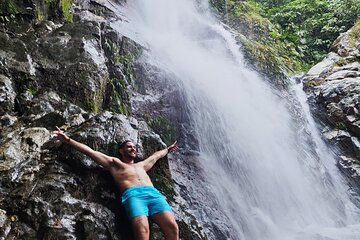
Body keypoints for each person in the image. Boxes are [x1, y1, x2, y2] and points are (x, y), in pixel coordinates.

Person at [53, 126, 179, 240]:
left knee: (172, 227)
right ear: (121, 150)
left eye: (134, 147)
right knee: (142, 231)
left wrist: (167, 149)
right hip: (134, 196)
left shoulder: (142, 165)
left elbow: (156, 156)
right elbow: (91, 152)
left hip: (153, 194)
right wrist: (68, 140)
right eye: (129, 147)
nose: (133, 149)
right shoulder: (115, 164)